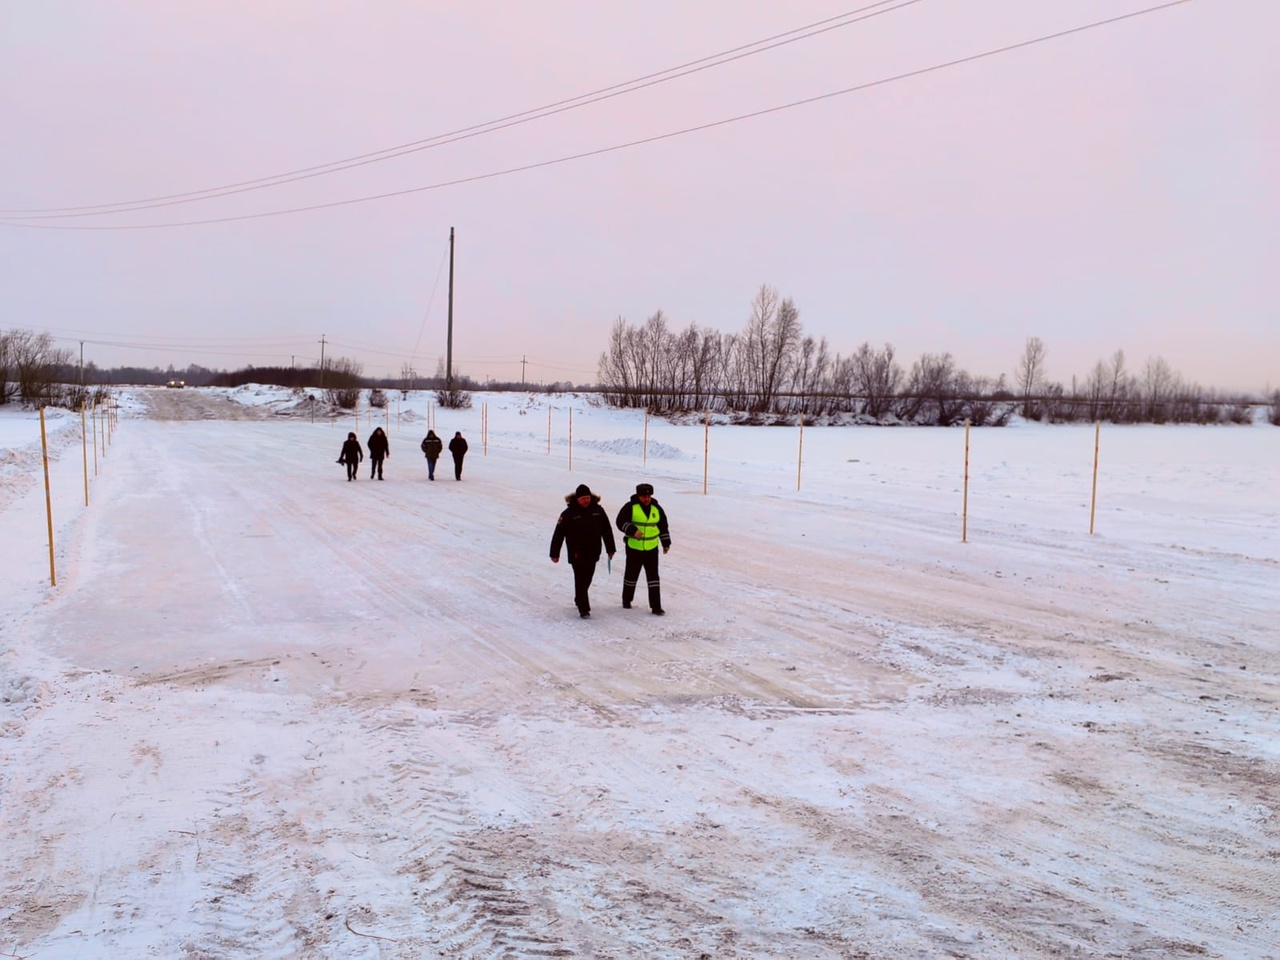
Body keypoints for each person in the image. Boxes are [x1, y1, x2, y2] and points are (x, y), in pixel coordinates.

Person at [550, 484, 617, 618]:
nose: (586, 501)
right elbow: (559, 534)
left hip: (593, 551)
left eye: (588, 498)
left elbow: (607, 531)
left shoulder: (598, 511)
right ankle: (583, 608)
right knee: (580, 578)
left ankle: (579, 597)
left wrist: (610, 548)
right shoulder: (568, 514)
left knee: (587, 578)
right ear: (577, 499)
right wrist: (554, 553)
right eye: (583, 499)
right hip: (576, 553)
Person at [615, 481, 672, 615]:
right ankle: (627, 600)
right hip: (634, 548)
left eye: (649, 496)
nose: (647, 499)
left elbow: (663, 526)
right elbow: (620, 522)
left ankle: (656, 606)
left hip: (651, 549)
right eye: (644, 497)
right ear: (638, 496)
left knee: (653, 578)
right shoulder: (630, 507)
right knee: (631, 576)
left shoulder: (657, 508)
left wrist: (665, 543)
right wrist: (632, 530)